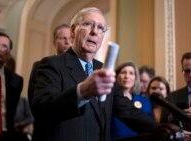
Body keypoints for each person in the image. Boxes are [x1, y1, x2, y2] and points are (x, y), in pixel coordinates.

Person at [31, 7, 157, 141]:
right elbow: (42, 107)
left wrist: (165, 129)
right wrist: (82, 92)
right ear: (73, 30)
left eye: (101, 28)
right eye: (88, 24)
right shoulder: (52, 64)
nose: (95, 31)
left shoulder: (104, 69)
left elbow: (127, 111)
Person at [28, 24, 72, 105]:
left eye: (70, 38)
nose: (67, 42)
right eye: (63, 38)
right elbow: (32, 97)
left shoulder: (79, 66)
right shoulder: (39, 65)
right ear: (54, 42)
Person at [110, 61, 153, 140]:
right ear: (116, 76)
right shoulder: (109, 100)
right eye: (123, 72)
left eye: (131, 73)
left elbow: (149, 125)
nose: (127, 76)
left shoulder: (145, 102)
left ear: (136, 78)